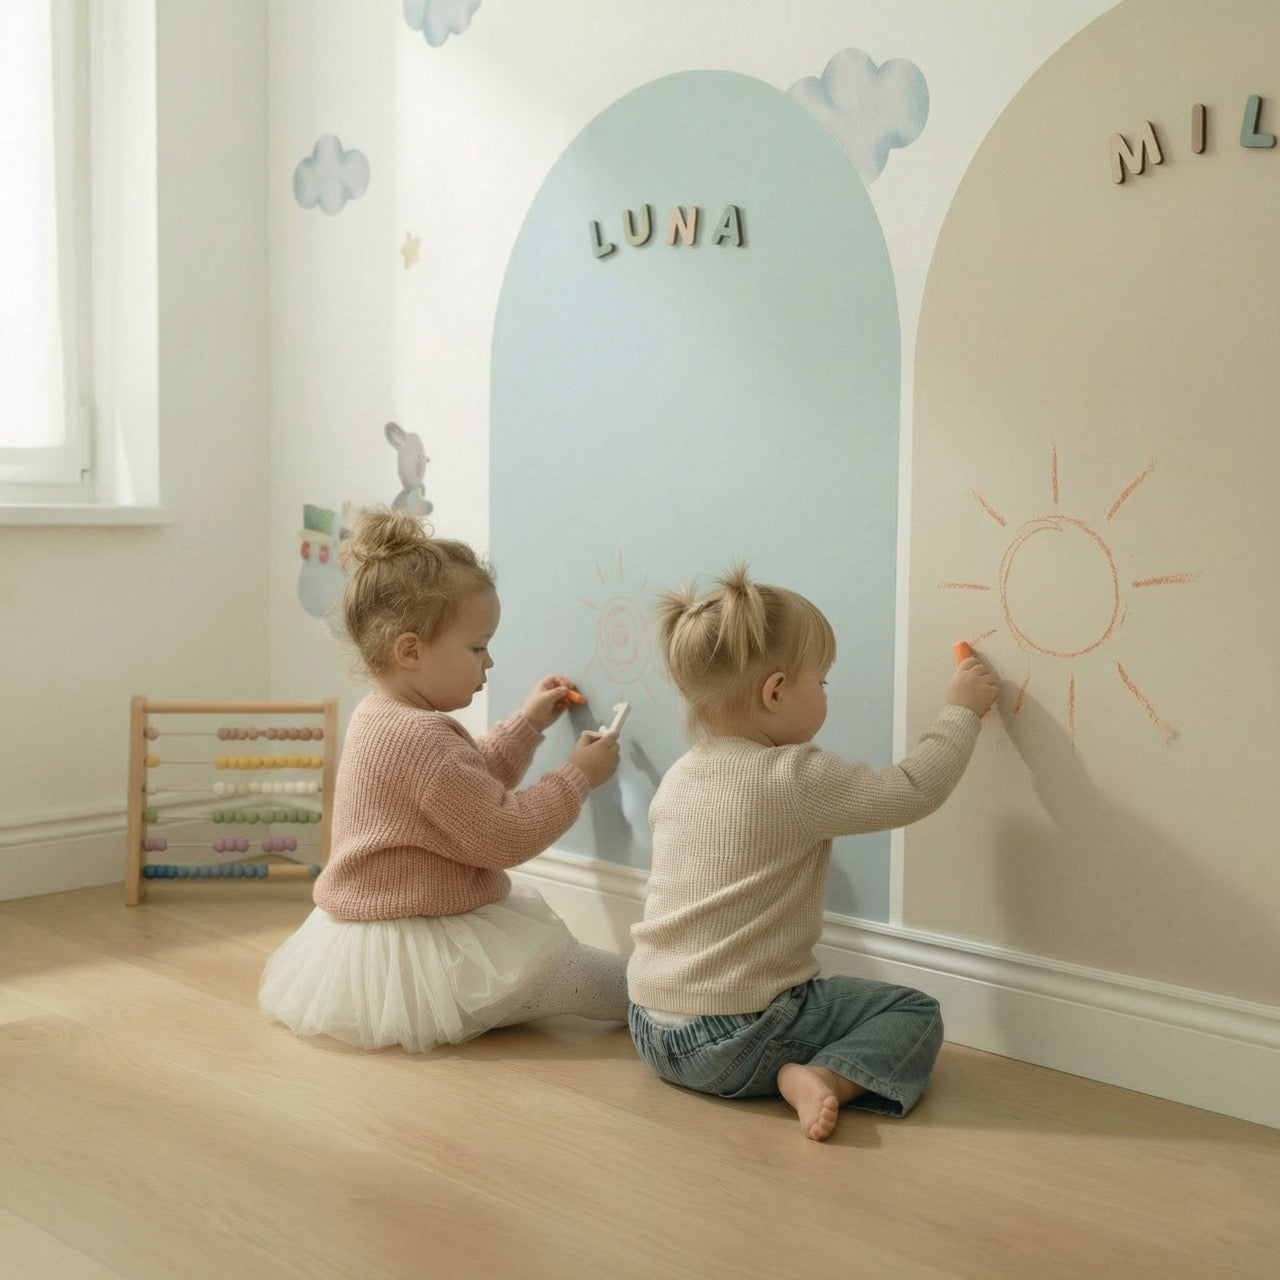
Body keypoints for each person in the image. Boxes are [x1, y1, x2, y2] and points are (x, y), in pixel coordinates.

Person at [627, 567, 999, 1140]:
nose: (826, 693)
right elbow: (912, 789)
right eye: (821, 682)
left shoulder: (680, 777)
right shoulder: (792, 776)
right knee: (913, 1011)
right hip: (735, 1041)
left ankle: (787, 1065)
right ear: (775, 692)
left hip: (650, 1030)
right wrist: (961, 711)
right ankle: (824, 1076)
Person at [260, 508, 628, 1052]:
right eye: (477, 647)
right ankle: (677, 1001)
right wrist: (577, 777)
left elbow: (462, 789)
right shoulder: (421, 737)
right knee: (615, 984)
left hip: (375, 941)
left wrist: (527, 725)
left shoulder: (380, 714)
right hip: (425, 950)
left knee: (569, 977)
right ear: (410, 651)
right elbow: (501, 832)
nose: (490, 662)